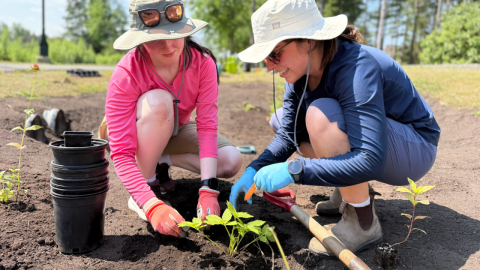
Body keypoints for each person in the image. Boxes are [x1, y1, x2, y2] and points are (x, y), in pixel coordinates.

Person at [229, 0, 440, 257]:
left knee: (320, 116)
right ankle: (349, 188)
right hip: (379, 142)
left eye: (274, 54)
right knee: (281, 118)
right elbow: (288, 134)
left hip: (415, 148)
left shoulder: (357, 66)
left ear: (308, 41)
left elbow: (370, 159)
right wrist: (254, 169)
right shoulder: (300, 73)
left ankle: (362, 222)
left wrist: (293, 170)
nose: (269, 66)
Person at [99, 0, 242, 238]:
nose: (168, 46)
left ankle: (161, 159)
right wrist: (151, 205)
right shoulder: (127, 73)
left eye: (174, 34)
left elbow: (206, 126)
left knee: (230, 160)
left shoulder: (203, 63)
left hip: (175, 129)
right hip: (135, 131)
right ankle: (145, 186)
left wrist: (208, 189)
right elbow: (122, 153)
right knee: (159, 102)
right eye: (156, 38)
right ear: (141, 39)